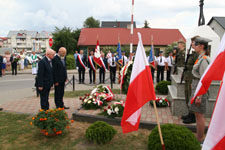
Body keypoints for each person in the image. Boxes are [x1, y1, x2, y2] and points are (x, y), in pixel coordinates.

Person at [189, 36, 211, 143]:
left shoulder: (204, 60)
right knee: (197, 115)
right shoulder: (200, 58)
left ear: (202, 46)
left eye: (196, 44)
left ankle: (200, 139)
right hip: (196, 87)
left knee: (200, 116)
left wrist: (199, 96)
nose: (194, 46)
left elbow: (205, 79)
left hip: (200, 91)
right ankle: (199, 137)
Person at [182, 36, 200, 124]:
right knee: (187, 96)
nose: (191, 43)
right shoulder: (192, 53)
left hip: (192, 78)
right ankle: (189, 113)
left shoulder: (197, 55)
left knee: (190, 96)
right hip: (188, 77)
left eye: (193, 42)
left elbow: (196, 68)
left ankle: (192, 116)